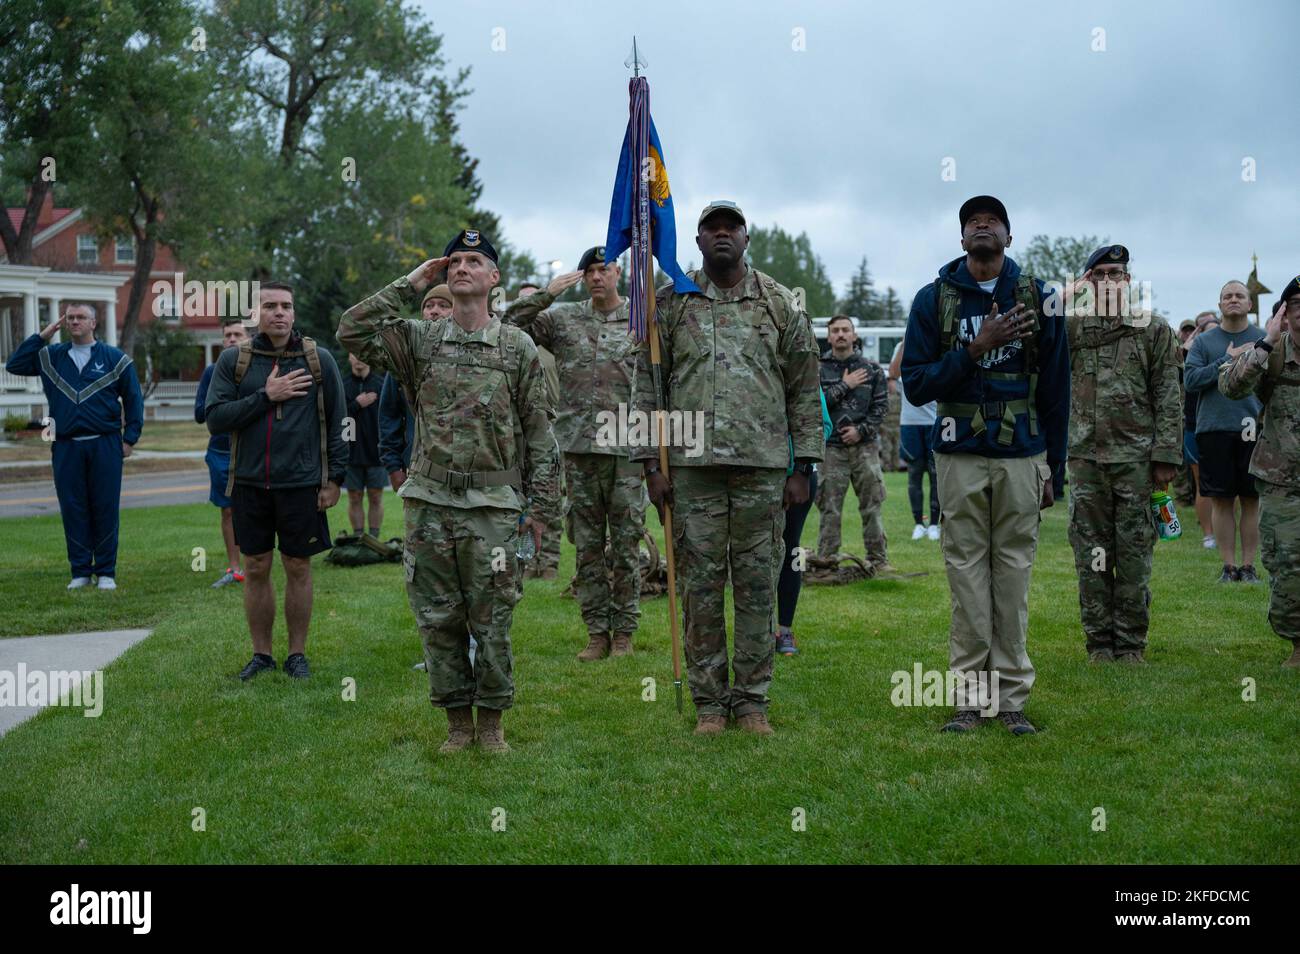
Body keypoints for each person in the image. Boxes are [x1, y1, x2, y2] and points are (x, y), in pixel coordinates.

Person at [338, 230, 560, 753]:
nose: (462, 268)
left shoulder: (516, 345)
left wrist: (542, 510)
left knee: (494, 620)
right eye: (454, 261)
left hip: (494, 507)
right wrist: (413, 281)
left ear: (493, 277)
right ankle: (457, 724)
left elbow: (539, 432)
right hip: (430, 504)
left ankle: (492, 724)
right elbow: (353, 330)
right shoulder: (420, 339)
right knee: (438, 618)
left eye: (474, 262)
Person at [635, 200, 823, 737]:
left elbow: (804, 388)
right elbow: (646, 385)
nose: (722, 235)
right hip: (691, 470)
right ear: (696, 241)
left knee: (758, 586)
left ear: (746, 238)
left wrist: (802, 465)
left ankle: (752, 702)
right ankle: (711, 705)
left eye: (731, 228)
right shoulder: (672, 304)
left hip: (762, 469)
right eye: (711, 228)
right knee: (699, 587)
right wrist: (650, 463)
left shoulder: (779, 303)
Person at [901, 195, 1069, 736]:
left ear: (1008, 236)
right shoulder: (933, 300)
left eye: (992, 218)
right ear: (962, 238)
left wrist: (1055, 469)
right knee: (966, 576)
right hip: (958, 455)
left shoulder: (1039, 299)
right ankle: (970, 699)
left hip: (1022, 455)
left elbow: (1058, 391)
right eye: (972, 220)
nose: (981, 223)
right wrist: (977, 348)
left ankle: (1012, 698)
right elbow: (918, 382)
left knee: (1014, 575)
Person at [504, 245, 647, 660]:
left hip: (625, 449)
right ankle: (596, 631)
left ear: (618, 272)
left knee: (625, 544)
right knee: (586, 545)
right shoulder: (563, 319)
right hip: (579, 449)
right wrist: (547, 293)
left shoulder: (641, 319)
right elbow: (510, 322)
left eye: (605, 269)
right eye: (590, 272)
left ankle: (624, 631)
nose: (597, 277)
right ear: (582, 278)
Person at [204, 281, 348, 681]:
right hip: (249, 483)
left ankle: (297, 654)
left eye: (286, 306)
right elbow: (214, 418)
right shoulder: (235, 360)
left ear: (294, 313)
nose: (279, 313)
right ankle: (262, 654)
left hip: (301, 483)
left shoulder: (318, 360)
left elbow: (340, 422)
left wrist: (334, 478)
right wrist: (267, 396)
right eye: (270, 306)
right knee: (254, 566)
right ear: (257, 314)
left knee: (298, 565)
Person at [1065, 245, 1183, 664]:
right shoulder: (1072, 330)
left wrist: (1166, 454)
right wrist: (1068, 295)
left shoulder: (1153, 329)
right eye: (1100, 274)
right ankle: (1099, 643)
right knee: (1091, 555)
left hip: (1136, 461)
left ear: (1129, 281)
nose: (1109, 280)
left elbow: (1169, 394)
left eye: (1117, 273)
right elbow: (1032, 334)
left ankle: (1131, 644)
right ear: (1087, 282)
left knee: (1133, 556)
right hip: (1085, 461)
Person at [5, 302, 143, 590]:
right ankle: (80, 571)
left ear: (94, 323)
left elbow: (133, 400)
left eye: (81, 317)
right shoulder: (51, 357)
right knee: (72, 507)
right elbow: (15, 364)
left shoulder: (115, 359)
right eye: (70, 318)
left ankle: (106, 572)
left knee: (105, 507)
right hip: (65, 445)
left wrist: (129, 439)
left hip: (105, 444)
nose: (75, 322)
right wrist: (43, 334)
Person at [1221, 283, 1300, 666]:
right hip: (1283, 478)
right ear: (1284, 311)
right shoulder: (1274, 351)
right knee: (1287, 563)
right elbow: (1231, 386)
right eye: (1296, 304)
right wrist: (1266, 342)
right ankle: (1299, 643)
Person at [1185, 281, 1267, 583]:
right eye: (1227, 296)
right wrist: (1227, 360)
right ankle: (1228, 566)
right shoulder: (1205, 342)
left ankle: (1248, 566)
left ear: (1249, 304)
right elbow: (1190, 381)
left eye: (1239, 296)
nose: (1233, 300)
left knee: (1250, 498)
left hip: (1253, 428)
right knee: (1221, 499)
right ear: (1220, 304)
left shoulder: (1264, 338)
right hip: (1214, 428)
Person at [815, 315, 890, 570]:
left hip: (864, 448)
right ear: (828, 336)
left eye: (845, 330)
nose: (841, 334)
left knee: (872, 506)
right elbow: (814, 404)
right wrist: (844, 385)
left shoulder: (872, 369)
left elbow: (881, 407)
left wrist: (861, 430)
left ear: (854, 335)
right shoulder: (817, 368)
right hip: (831, 448)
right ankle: (826, 560)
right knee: (829, 507)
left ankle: (878, 560)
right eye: (835, 330)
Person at [378, 284, 453, 489]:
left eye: (443, 305)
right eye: (428, 305)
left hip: (465, 470)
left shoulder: (474, 354)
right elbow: (389, 414)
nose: (434, 310)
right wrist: (393, 466)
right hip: (419, 469)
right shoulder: (405, 358)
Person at [776, 389, 832, 655]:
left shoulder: (802, 368)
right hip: (755, 476)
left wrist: (796, 468)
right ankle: (759, 630)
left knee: (791, 549)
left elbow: (823, 424)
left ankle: (784, 630)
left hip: (799, 476)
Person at [194, 320, 249, 587]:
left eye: (238, 334)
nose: (232, 339)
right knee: (227, 511)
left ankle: (256, 565)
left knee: (255, 509)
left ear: (248, 339)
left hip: (253, 450)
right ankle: (235, 568)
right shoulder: (212, 372)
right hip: (220, 452)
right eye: (227, 335)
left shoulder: (258, 370)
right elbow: (199, 413)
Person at [891, 339, 940, 540]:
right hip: (910, 422)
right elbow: (893, 374)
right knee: (915, 474)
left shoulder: (935, 342)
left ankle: (935, 525)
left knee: (936, 475)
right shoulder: (902, 346)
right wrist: (905, 341)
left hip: (934, 421)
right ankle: (919, 523)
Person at [1181, 311, 1220, 546]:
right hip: (1195, 426)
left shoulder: (1231, 352)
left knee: (1230, 484)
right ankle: (1208, 534)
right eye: (1208, 331)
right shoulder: (1191, 356)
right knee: (1202, 482)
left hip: (1225, 426)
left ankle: (1224, 526)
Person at [342, 353, 387, 536]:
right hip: (350, 453)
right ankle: (358, 537)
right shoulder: (342, 385)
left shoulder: (381, 384)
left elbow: (391, 417)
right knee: (354, 497)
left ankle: (373, 539)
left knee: (376, 497)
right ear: (349, 357)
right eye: (354, 353)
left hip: (376, 452)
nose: (359, 357)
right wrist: (356, 405)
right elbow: (337, 419)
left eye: (363, 353)